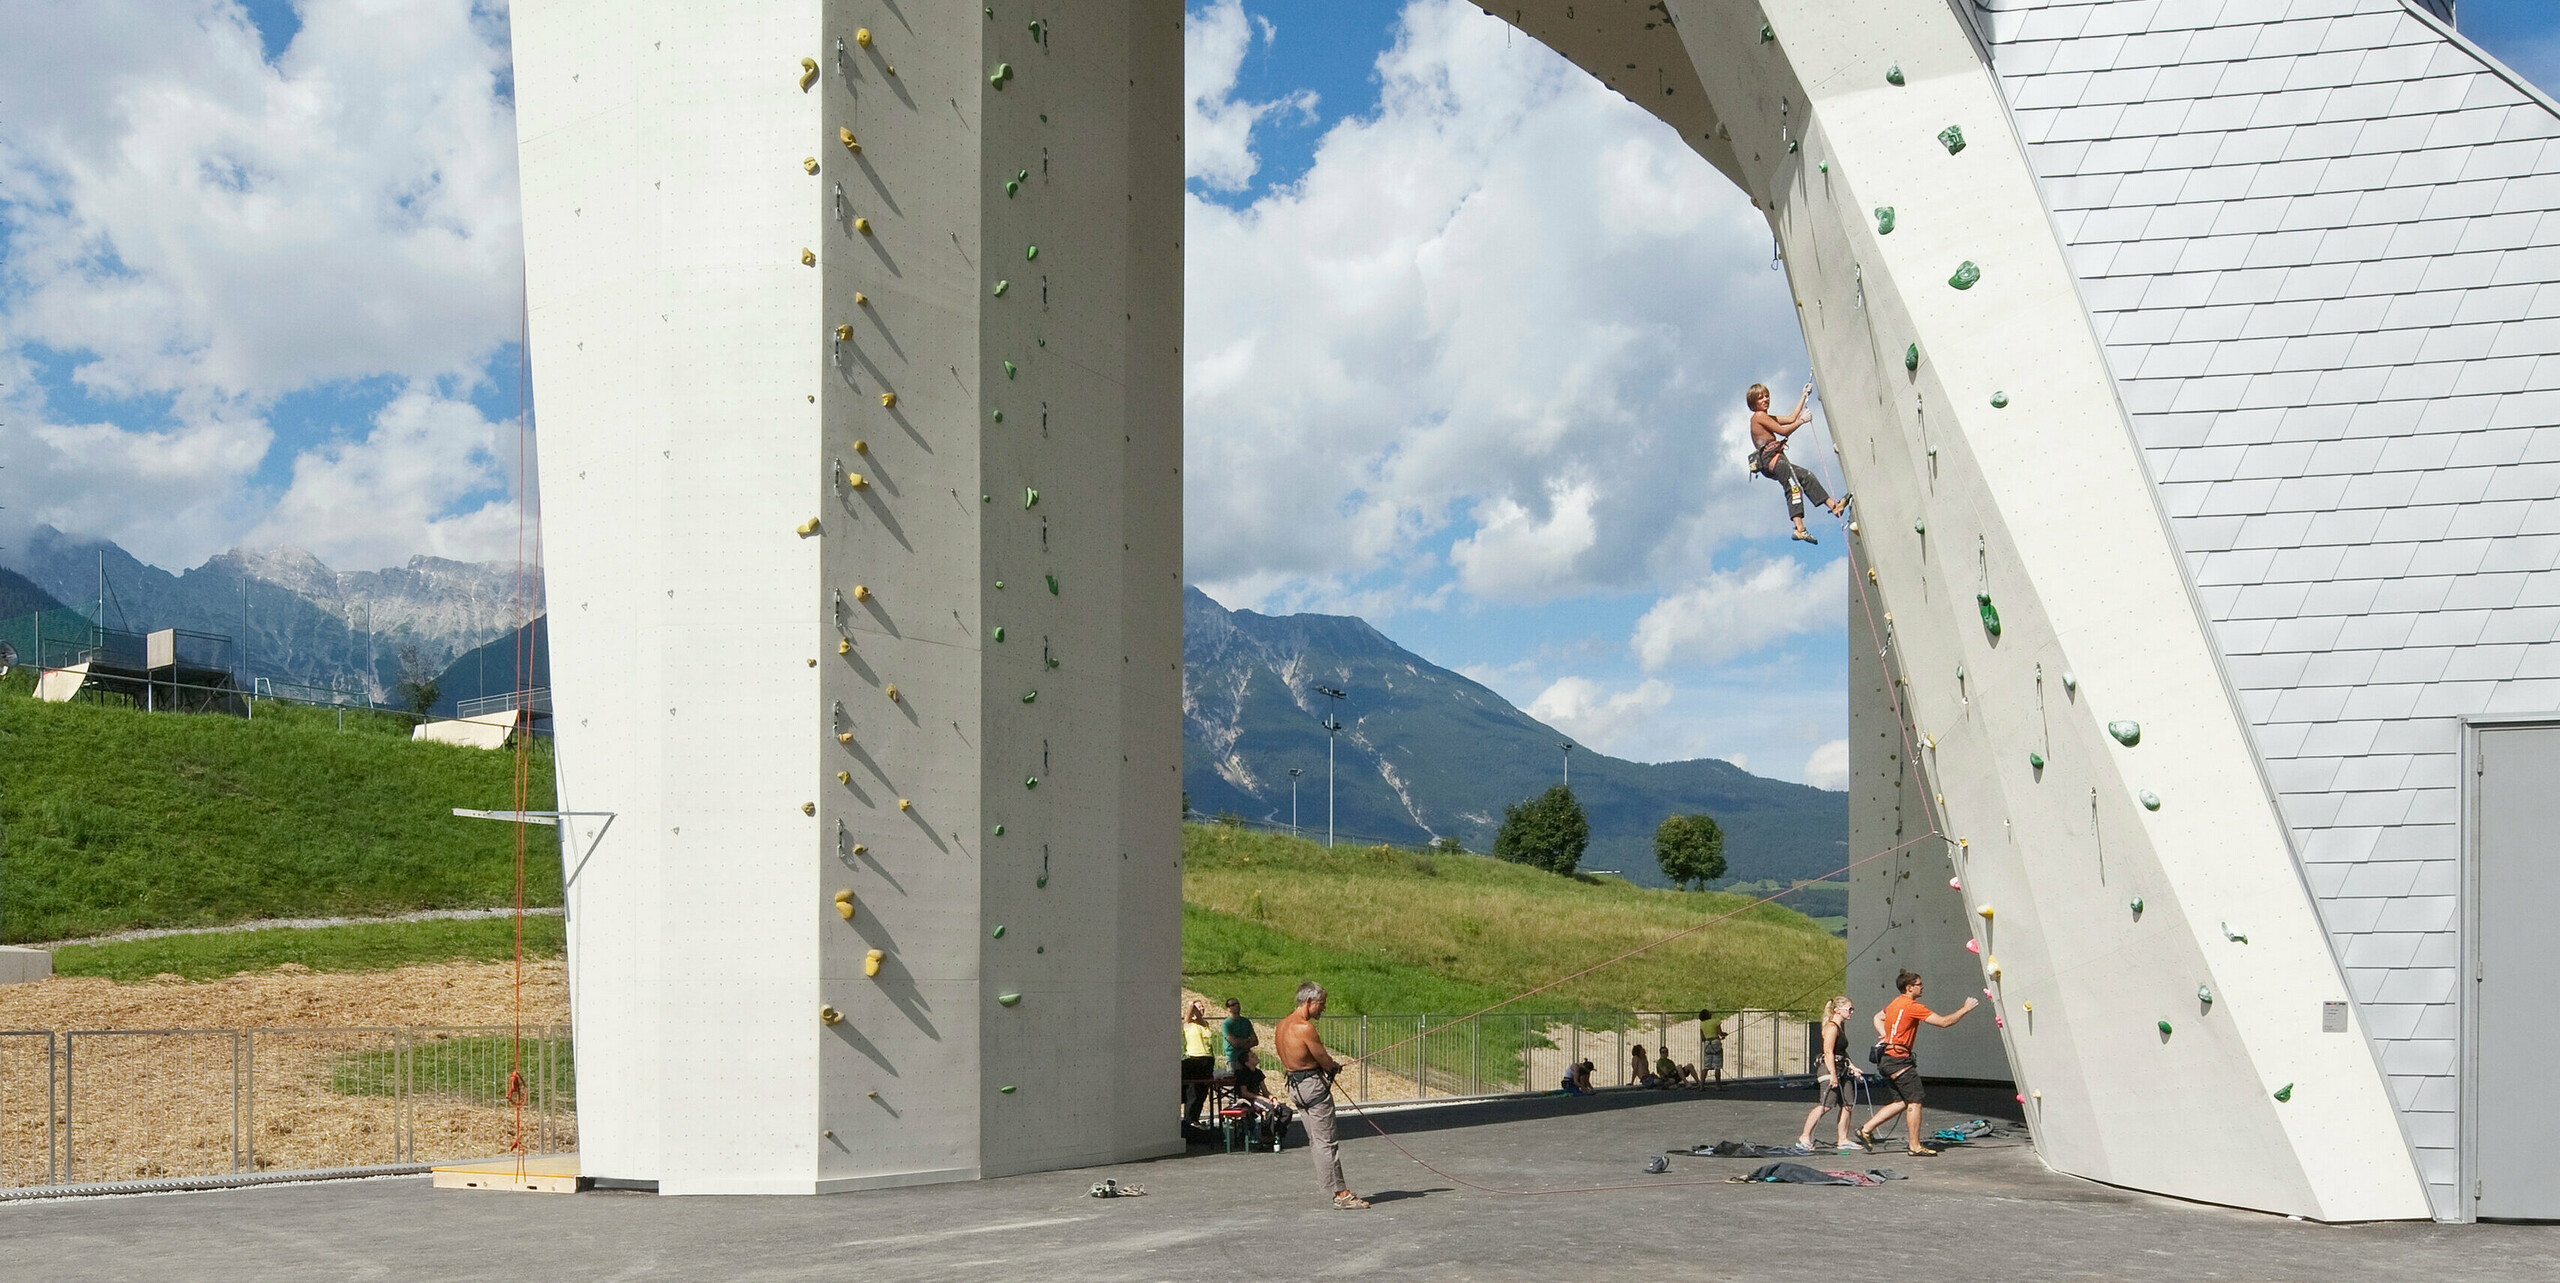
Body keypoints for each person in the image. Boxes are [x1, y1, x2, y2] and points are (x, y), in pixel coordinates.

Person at [1857, 970, 1978, 1156]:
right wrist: (1965, 1009)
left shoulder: (1895, 1003)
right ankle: (1914, 1146)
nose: (1922, 987)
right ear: (1909, 987)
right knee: (1915, 1100)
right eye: (1919, 984)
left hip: (1888, 1058)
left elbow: (1877, 1017)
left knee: (1901, 1102)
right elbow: (1944, 1022)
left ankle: (1865, 1129)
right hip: (1899, 1060)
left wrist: (1886, 1036)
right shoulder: (1913, 1006)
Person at [1276, 980, 1369, 1209]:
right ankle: (1341, 1194)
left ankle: (1333, 1188)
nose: (1324, 1008)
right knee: (1326, 1141)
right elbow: (1324, 1060)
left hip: (1294, 1087)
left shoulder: (1281, 1025)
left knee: (1316, 1141)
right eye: (1322, 1003)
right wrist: (1333, 1066)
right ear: (1309, 1002)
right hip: (1311, 1086)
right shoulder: (1305, 1028)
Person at [1747, 381, 1846, 543]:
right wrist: (1802, 421)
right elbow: (1783, 430)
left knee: (1806, 476)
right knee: (1793, 487)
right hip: (1772, 459)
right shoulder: (1758, 417)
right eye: (1760, 398)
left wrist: (1803, 395)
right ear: (1753, 403)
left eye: (1766, 396)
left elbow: (1790, 418)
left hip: (1774, 458)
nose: (1765, 399)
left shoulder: (1765, 417)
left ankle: (1834, 506)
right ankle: (1800, 528)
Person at [1796, 996, 1865, 1152]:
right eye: (1849, 1009)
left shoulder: (1841, 1028)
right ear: (1838, 1010)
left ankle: (1843, 1139)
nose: (1851, 1012)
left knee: (1848, 1103)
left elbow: (1841, 1051)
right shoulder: (1832, 1027)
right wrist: (1833, 1074)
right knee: (1826, 1104)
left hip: (1842, 1067)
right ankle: (1804, 1136)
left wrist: (1852, 1066)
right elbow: (1828, 1052)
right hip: (1829, 1068)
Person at [1232, 1049, 1293, 1150]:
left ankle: (1276, 1134)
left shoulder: (1258, 1073)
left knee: (1286, 1111)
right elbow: (1244, 1092)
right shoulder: (1243, 1073)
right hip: (1249, 1100)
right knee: (1269, 1109)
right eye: (1252, 1056)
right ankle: (1267, 1137)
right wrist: (1261, 1098)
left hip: (1260, 1099)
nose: (1255, 1056)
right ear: (1246, 1062)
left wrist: (1272, 1098)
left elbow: (1265, 1091)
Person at [1180, 999, 1218, 1133]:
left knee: (1202, 1092)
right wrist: (1192, 1005)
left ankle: (1195, 1118)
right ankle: (1189, 1119)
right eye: (1198, 1007)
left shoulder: (1204, 1024)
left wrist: (1199, 1012)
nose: (1201, 1009)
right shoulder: (1189, 1024)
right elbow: (1188, 1014)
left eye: (1202, 1007)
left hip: (1207, 1060)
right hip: (1194, 1059)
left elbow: (1201, 1021)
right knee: (1193, 1092)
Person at [1220, 997, 1258, 1079]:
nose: (1237, 1006)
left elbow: (1255, 1041)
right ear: (1228, 1009)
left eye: (1238, 1003)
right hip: (1233, 1058)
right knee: (1233, 1082)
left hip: (1246, 1059)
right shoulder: (1226, 1024)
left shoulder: (1246, 1022)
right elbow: (1234, 1043)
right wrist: (1247, 1040)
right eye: (1233, 1004)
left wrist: (1241, 1043)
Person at [1698, 1008, 1727, 1089]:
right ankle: (1718, 1085)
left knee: (1706, 1066)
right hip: (1715, 1042)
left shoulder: (1702, 1024)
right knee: (1717, 1066)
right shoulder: (1715, 1021)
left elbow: (1702, 1038)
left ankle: (1701, 1085)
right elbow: (1720, 1033)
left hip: (1707, 1044)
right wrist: (1724, 1035)